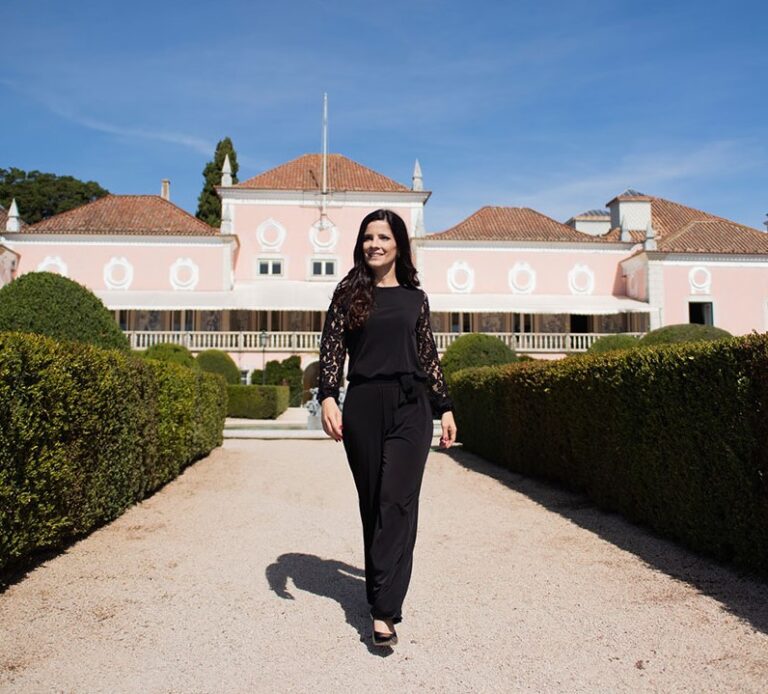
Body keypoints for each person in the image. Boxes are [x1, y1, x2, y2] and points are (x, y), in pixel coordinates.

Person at [318, 208, 457, 648]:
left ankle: (383, 610)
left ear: (399, 243)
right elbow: (332, 348)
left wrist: (445, 406)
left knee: (398, 500)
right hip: (362, 404)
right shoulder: (347, 292)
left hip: (411, 405)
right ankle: (380, 590)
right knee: (374, 502)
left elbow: (428, 353)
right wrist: (326, 395)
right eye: (367, 237)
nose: (373, 244)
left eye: (382, 236)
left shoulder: (415, 298)